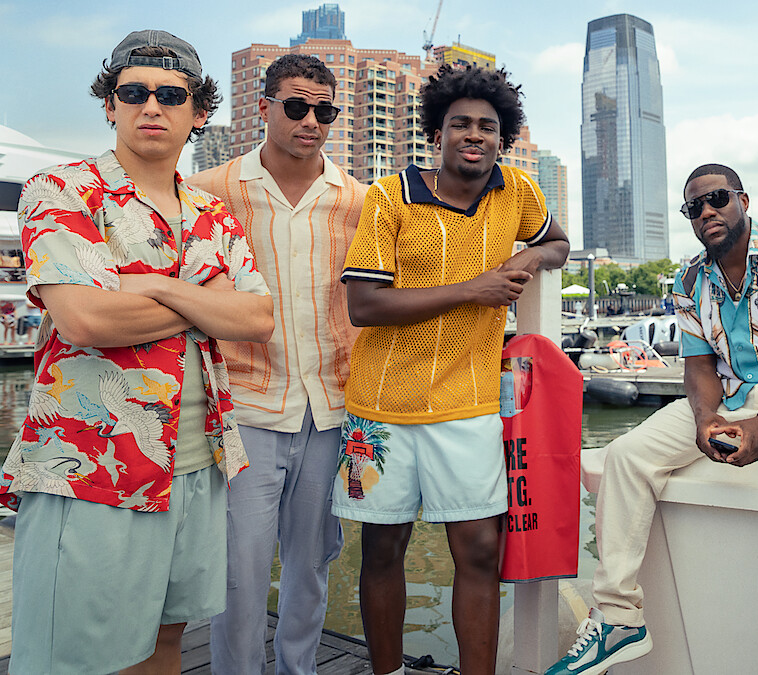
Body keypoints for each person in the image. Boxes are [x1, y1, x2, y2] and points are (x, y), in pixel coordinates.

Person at [0, 29, 273, 673]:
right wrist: (204, 298)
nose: (152, 106)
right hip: (94, 464)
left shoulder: (214, 214)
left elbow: (258, 318)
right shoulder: (63, 191)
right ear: (110, 105)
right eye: (134, 92)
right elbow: (85, 318)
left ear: (198, 113)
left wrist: (152, 285)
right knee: (76, 656)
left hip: (198, 460)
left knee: (164, 640)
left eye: (171, 95)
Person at [546, 164, 758, 675]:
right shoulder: (689, 278)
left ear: (743, 200)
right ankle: (617, 619)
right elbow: (700, 366)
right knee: (627, 456)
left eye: (718, 199)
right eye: (694, 207)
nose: (707, 211)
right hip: (727, 397)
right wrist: (704, 419)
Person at [336, 64, 569, 675]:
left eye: (487, 127)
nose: (474, 135)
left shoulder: (518, 190)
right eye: (460, 124)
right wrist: (475, 289)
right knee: (383, 548)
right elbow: (365, 305)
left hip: (468, 402)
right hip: (380, 408)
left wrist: (528, 257)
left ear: (502, 137)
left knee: (480, 550)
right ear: (436, 134)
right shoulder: (390, 196)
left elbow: (559, 243)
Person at [188, 53, 365, 675]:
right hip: (245, 406)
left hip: (331, 408)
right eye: (296, 106)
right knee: (238, 571)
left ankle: (300, 669)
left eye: (325, 110)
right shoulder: (209, 191)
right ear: (263, 108)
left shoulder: (359, 201)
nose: (311, 121)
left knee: (312, 564)